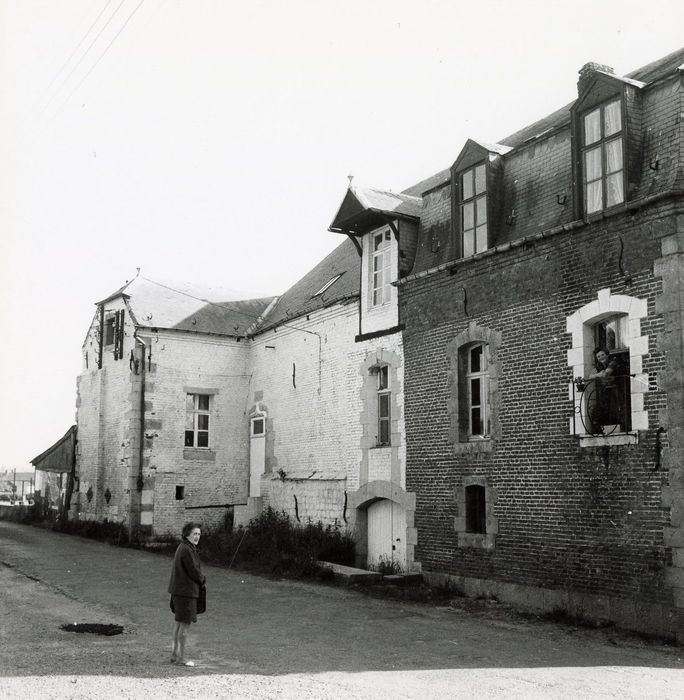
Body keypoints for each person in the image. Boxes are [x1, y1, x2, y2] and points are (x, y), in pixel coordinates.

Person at [168, 522, 205, 666]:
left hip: (179, 591)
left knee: (178, 624)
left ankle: (174, 655)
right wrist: (203, 579)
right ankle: (181, 658)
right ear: (187, 534)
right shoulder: (187, 549)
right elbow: (194, 571)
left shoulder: (184, 547)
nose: (197, 537)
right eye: (194, 534)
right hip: (186, 593)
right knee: (184, 626)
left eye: (199, 534)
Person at [588, 347, 624, 433]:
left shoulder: (613, 361)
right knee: (602, 408)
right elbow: (590, 376)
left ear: (607, 355)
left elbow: (607, 373)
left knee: (619, 407)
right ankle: (603, 428)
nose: (601, 357)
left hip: (621, 388)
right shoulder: (599, 366)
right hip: (609, 389)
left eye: (602, 355)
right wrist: (600, 374)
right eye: (598, 356)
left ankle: (623, 426)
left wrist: (599, 374)